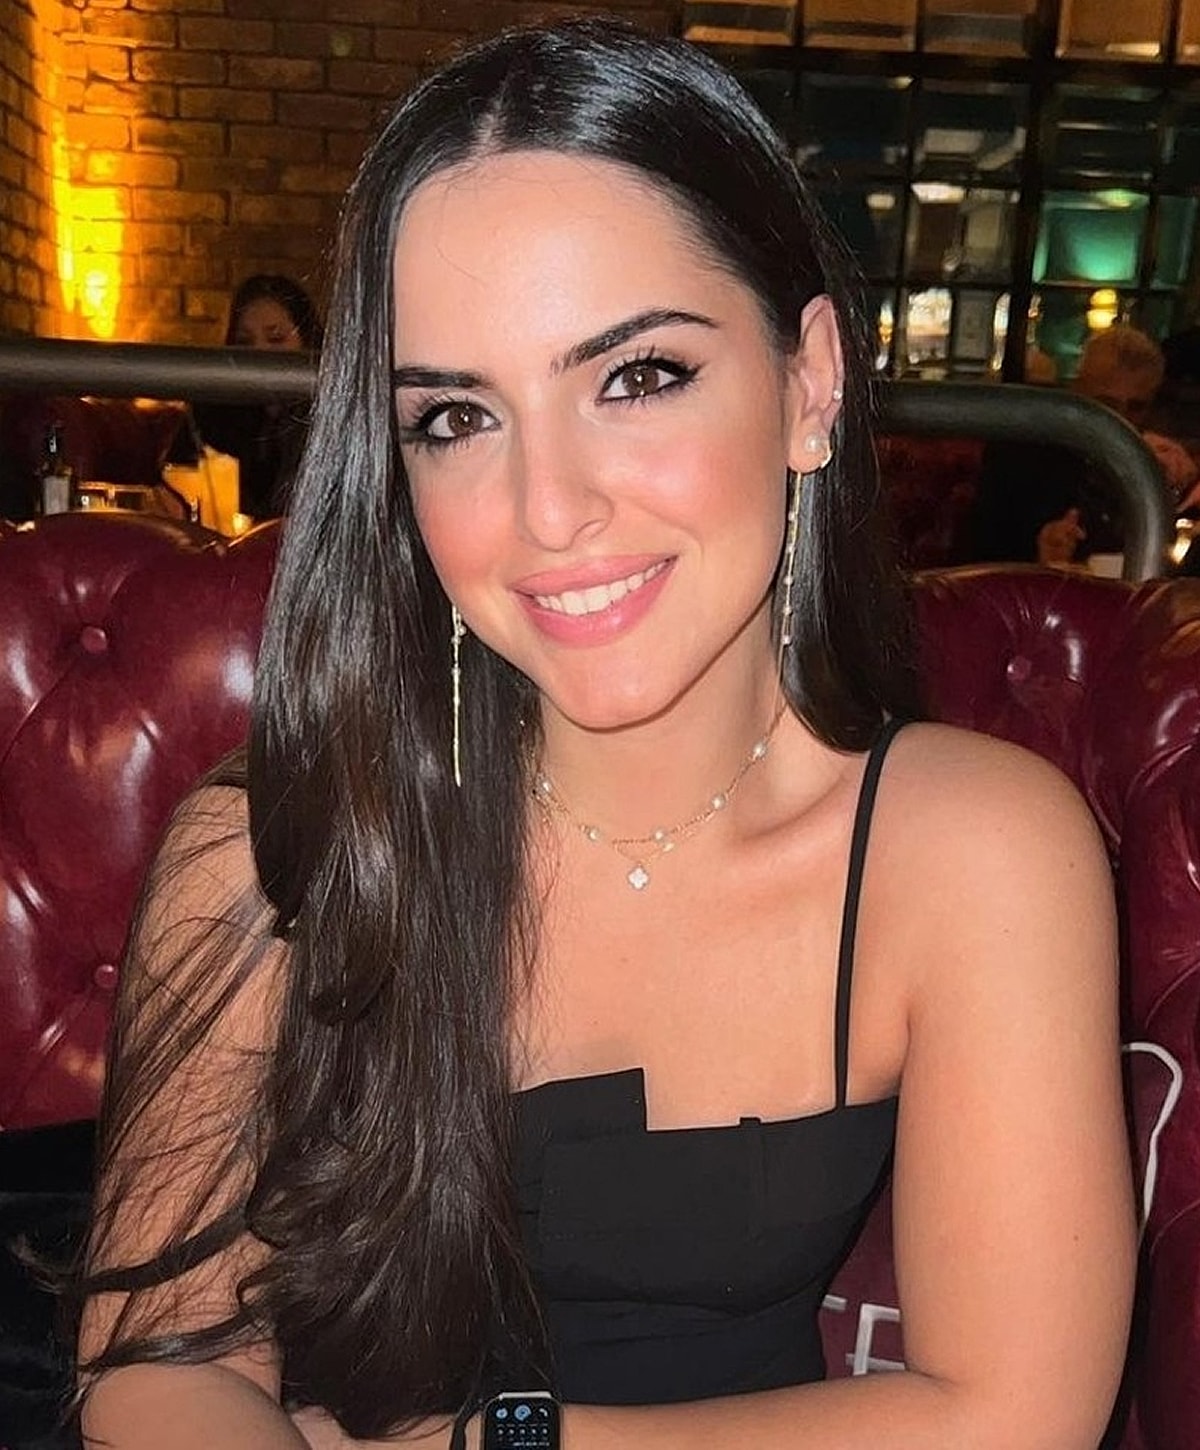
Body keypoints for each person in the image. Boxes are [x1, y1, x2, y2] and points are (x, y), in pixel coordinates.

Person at [76, 19, 1135, 1450]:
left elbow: (1014, 1412)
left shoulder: (973, 852)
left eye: (637, 376)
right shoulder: (276, 848)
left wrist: (488, 1445)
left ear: (811, 381)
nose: (549, 509)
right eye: (457, 415)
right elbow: (158, 1364)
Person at [970, 323, 1197, 568]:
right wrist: (1043, 560)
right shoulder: (1020, 458)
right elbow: (980, 565)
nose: (1121, 419)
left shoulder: (1161, 463)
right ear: (1079, 392)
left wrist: (1179, 490)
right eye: (1107, 404)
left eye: (1136, 407)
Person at [190, 274, 324, 519]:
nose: (260, 353)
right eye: (245, 342)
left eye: (276, 339)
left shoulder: (325, 424)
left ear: (307, 342)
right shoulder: (218, 417)